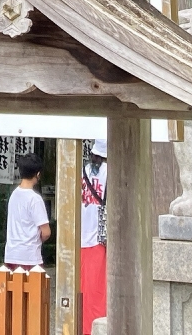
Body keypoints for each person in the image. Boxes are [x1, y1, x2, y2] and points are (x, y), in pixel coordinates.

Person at [4, 152, 51, 270]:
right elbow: (46, 232)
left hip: (11, 254)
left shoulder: (14, 194)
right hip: (29, 256)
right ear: (38, 174)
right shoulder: (35, 199)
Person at [80, 140, 107, 334]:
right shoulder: (111, 171)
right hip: (100, 237)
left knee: (83, 290)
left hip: (79, 236)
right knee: (99, 291)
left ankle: (83, 327)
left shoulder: (82, 170)